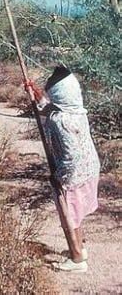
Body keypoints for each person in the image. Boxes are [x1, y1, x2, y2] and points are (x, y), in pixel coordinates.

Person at [25, 65, 100, 273]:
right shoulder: (76, 110)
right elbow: (50, 109)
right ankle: (80, 249)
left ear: (59, 94)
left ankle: (77, 259)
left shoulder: (61, 121)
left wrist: (59, 177)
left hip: (73, 173)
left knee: (69, 215)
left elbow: (71, 156)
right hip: (89, 169)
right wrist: (36, 94)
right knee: (75, 213)